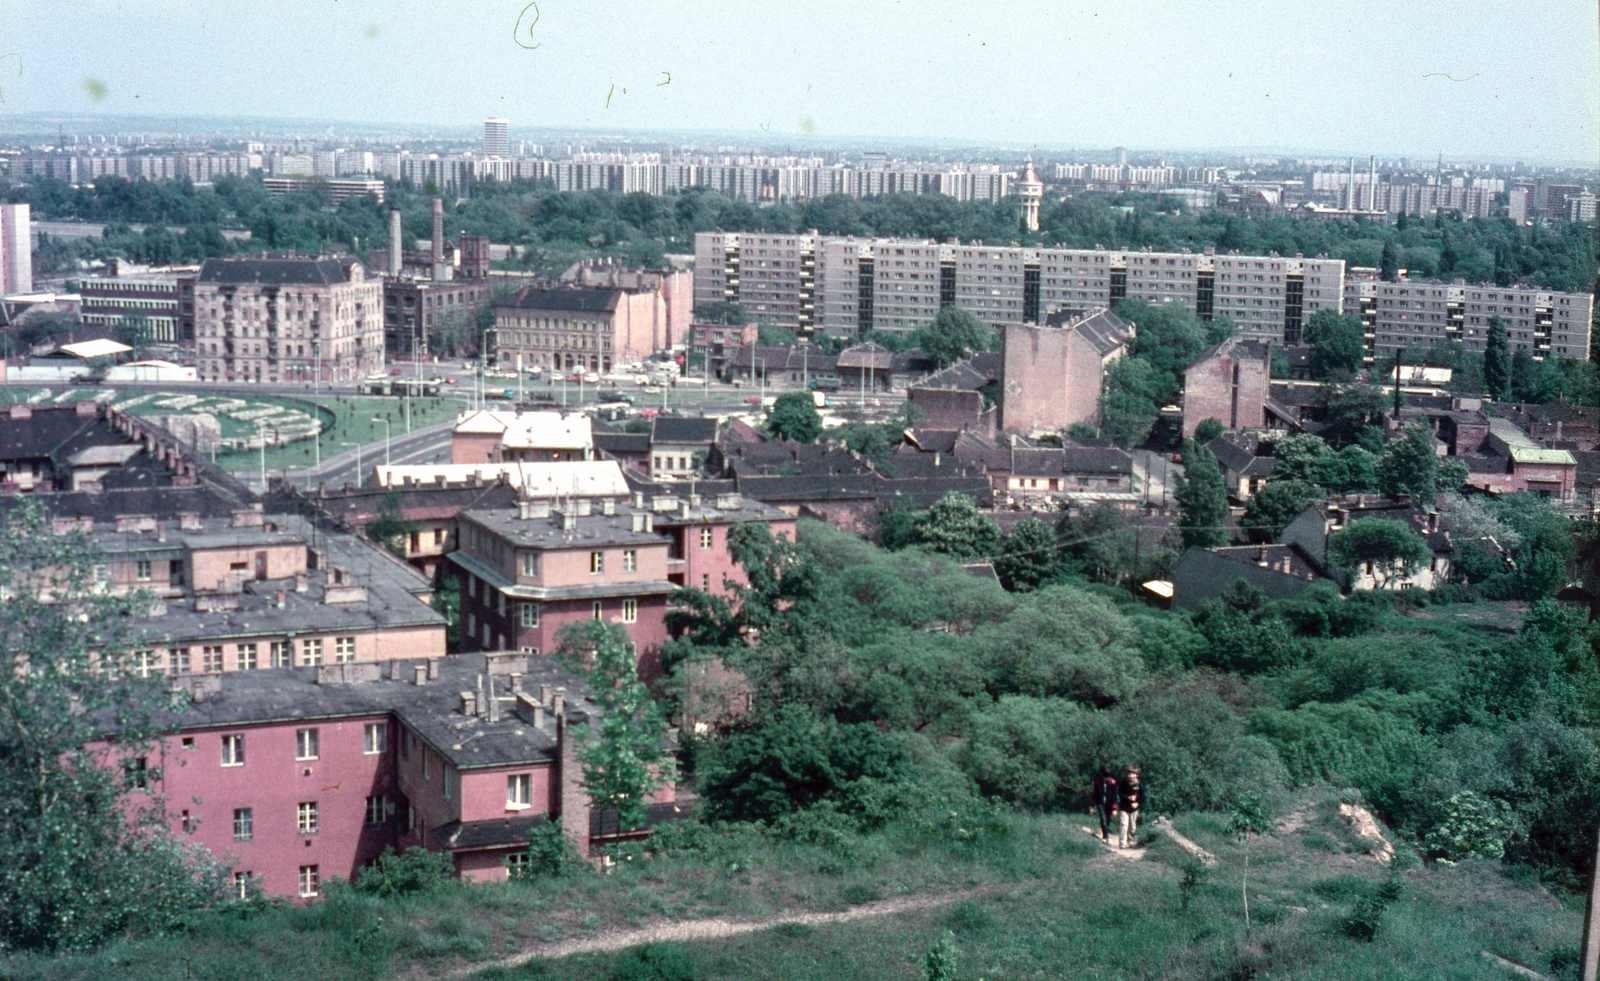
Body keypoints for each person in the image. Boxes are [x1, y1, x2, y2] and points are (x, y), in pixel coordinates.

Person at [1090, 765, 1120, 842]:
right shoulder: (1097, 781)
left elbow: (1114, 796)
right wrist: (1092, 806)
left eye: (1107, 776)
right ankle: (1105, 836)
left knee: (1108, 819)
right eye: (1104, 776)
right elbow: (1095, 794)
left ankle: (1106, 832)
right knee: (1102, 818)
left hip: (1109, 804)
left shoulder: (1113, 782)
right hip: (1100, 803)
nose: (1106, 778)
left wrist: (1114, 808)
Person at [1118, 766, 1144, 849]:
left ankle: (1131, 841)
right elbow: (1120, 793)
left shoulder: (1139, 784)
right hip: (1124, 807)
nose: (1131, 776)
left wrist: (1137, 803)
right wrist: (1128, 797)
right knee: (1124, 824)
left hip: (1134, 809)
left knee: (1132, 826)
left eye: (1133, 774)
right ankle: (1122, 843)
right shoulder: (1123, 783)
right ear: (1127, 775)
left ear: (1137, 775)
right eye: (1130, 774)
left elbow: (1143, 796)